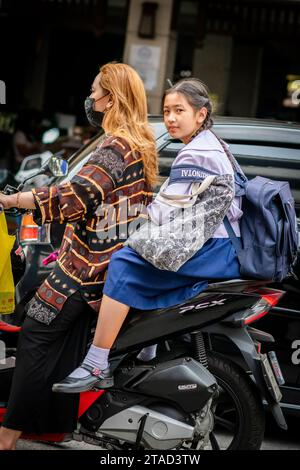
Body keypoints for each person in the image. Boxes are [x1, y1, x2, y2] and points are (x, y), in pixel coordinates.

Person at [0, 62, 157, 450]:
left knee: (36, 335)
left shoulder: (115, 146)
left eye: (94, 93)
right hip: (106, 266)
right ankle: (53, 424)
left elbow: (75, 197)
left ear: (111, 99)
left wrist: (15, 200)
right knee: (63, 341)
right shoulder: (140, 142)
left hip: (84, 269)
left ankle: (6, 438)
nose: (90, 99)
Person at [52, 78, 243, 394]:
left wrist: (121, 227)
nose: (170, 118)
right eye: (167, 110)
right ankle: (146, 347)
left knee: (124, 262)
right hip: (220, 244)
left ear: (201, 114)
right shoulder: (211, 144)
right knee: (137, 255)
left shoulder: (197, 153)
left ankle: (97, 362)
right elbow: (175, 202)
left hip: (213, 247)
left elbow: (163, 212)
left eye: (179, 110)